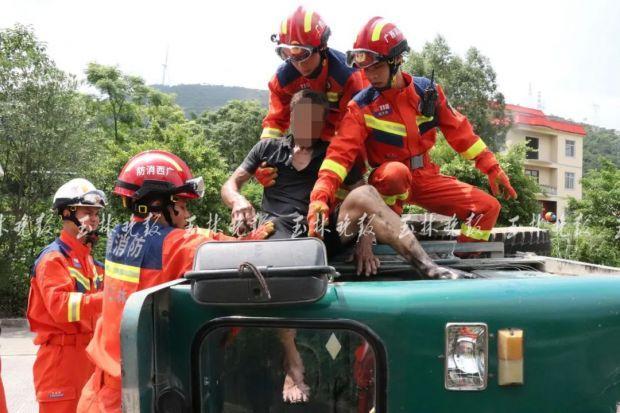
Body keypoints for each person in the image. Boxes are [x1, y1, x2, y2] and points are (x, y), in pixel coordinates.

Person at [223, 89, 461, 403]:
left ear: (322, 122)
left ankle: (427, 265)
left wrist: (365, 240)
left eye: (314, 118)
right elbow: (231, 183)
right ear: (292, 118)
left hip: (321, 229)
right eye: (301, 117)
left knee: (363, 197)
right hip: (277, 234)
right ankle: (292, 360)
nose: (307, 124)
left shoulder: (334, 154)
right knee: (281, 259)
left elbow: (365, 195)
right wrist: (238, 200)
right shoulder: (267, 148)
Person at [77, 150, 273, 413]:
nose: (186, 212)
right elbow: (226, 252)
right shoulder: (173, 244)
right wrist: (256, 235)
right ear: (156, 204)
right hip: (132, 395)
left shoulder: (119, 235)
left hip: (99, 390)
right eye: (181, 202)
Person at [309, 17, 517, 246]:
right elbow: (339, 156)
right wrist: (320, 197)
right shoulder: (361, 107)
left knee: (487, 208)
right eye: (365, 69)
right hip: (387, 183)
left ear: (397, 60)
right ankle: (386, 229)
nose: (370, 76)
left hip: (425, 177)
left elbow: (461, 133)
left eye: (376, 67)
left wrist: (492, 167)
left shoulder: (427, 92)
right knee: (395, 174)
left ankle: (463, 260)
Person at [27, 178, 106, 413]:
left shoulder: (91, 261)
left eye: (96, 213)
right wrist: (111, 296)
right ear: (66, 213)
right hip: (61, 362)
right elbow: (61, 307)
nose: (93, 218)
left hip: (91, 357)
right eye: (87, 212)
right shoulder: (53, 259)